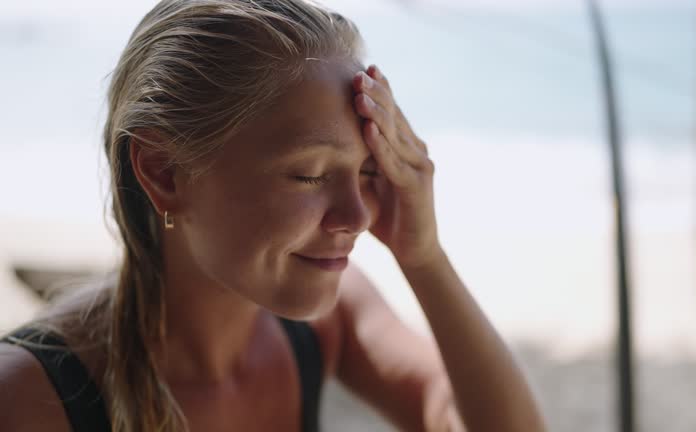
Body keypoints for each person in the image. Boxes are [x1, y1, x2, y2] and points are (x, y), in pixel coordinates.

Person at [0, 1, 546, 431]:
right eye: (310, 174)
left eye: (368, 172)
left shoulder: (328, 323)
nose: (356, 217)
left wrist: (424, 257)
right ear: (165, 172)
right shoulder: (30, 397)